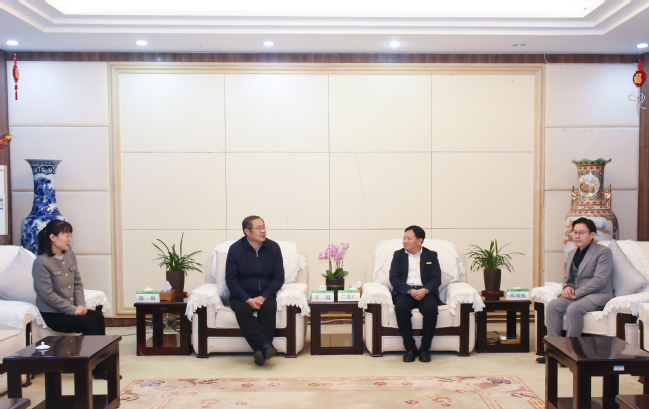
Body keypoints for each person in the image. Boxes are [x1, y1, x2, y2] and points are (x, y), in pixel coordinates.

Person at [32, 219, 111, 380]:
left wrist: (81, 305)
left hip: (71, 310)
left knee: (97, 317)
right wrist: (73, 309)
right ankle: (89, 367)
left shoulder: (69, 256)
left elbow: (77, 284)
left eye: (71, 235)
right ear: (53, 237)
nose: (70, 239)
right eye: (66, 235)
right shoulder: (41, 262)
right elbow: (47, 294)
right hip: (53, 314)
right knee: (89, 322)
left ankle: (101, 365)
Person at [537, 217, 614, 364]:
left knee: (574, 309)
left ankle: (571, 353)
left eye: (582, 232)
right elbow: (568, 278)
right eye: (575, 232)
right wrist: (567, 287)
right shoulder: (572, 252)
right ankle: (554, 352)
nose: (577, 236)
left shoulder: (603, 252)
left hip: (598, 294)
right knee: (553, 306)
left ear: (592, 234)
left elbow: (600, 280)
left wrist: (576, 293)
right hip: (577, 294)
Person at [225, 215, 285, 365]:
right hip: (241, 295)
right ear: (247, 231)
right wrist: (248, 299)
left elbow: (279, 278)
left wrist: (263, 297)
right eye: (258, 228)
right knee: (242, 310)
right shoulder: (235, 249)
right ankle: (265, 346)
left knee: (269, 308)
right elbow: (231, 280)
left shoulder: (273, 247)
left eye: (264, 227)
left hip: (265, 293)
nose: (263, 231)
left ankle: (260, 352)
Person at [389, 225, 442, 363]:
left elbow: (436, 279)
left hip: (425, 292)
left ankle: (425, 349)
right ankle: (410, 348)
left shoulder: (431, 255)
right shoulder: (398, 255)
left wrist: (424, 290)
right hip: (406, 292)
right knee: (401, 308)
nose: (405, 241)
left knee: (431, 309)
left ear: (420, 240)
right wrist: (410, 290)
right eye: (404, 238)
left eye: (409, 238)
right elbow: (394, 278)